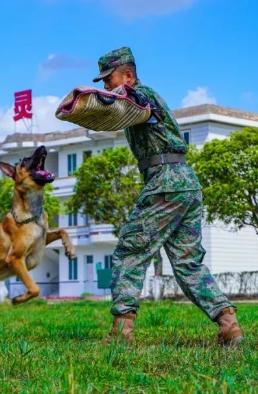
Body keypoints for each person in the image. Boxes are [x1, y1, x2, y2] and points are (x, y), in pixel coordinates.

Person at [92, 46, 244, 346]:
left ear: (128, 75)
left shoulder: (141, 94)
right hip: (186, 183)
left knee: (130, 251)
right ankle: (229, 325)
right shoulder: (138, 100)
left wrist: (108, 98)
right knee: (188, 263)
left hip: (166, 184)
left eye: (108, 79)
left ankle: (122, 332)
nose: (106, 86)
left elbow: (135, 100)